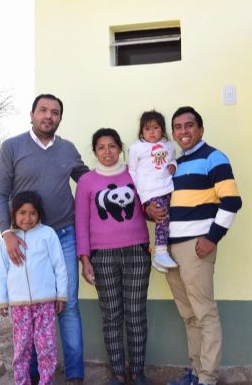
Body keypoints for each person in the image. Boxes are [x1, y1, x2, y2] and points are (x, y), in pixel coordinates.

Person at [0, 94, 89, 384]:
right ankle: (33, 374)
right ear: (31, 114)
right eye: (43, 110)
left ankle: (74, 374)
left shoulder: (68, 150)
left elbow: (88, 183)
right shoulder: (11, 147)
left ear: (60, 118)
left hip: (64, 234)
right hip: (24, 240)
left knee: (67, 304)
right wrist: (7, 233)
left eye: (55, 112)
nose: (49, 116)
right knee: (30, 307)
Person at [146, 106, 242, 385]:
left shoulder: (214, 158)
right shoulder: (173, 164)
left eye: (189, 125)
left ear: (200, 129)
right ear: (172, 133)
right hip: (170, 250)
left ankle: (208, 378)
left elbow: (232, 201)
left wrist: (212, 237)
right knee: (189, 315)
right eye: (177, 127)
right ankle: (196, 372)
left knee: (204, 313)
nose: (183, 131)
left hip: (196, 247)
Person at [75, 128, 151, 385]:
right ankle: (118, 372)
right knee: (112, 315)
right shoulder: (86, 181)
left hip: (137, 251)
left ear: (120, 148)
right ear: (95, 151)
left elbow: (149, 202)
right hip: (102, 257)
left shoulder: (135, 173)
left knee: (136, 313)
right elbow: (81, 223)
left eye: (112, 146)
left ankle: (138, 371)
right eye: (101, 147)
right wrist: (85, 260)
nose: (107, 152)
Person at [0, 191, 67, 385]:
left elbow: (59, 266)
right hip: (19, 306)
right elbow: (2, 272)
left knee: (46, 347)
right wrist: (2, 300)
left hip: (44, 304)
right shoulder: (7, 241)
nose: (27, 218)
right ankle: (22, 382)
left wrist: (61, 295)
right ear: (13, 213)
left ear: (39, 214)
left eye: (33, 213)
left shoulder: (47, 235)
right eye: (22, 212)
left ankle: (46, 381)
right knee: (21, 348)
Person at [127, 110, 178, 272]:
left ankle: (158, 257)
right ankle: (160, 252)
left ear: (162, 129)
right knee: (161, 217)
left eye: (156, 128)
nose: (152, 132)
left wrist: (173, 166)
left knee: (167, 219)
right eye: (147, 128)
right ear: (141, 131)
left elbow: (172, 160)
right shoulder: (136, 148)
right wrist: (139, 194)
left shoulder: (169, 146)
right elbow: (132, 171)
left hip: (167, 188)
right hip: (150, 191)